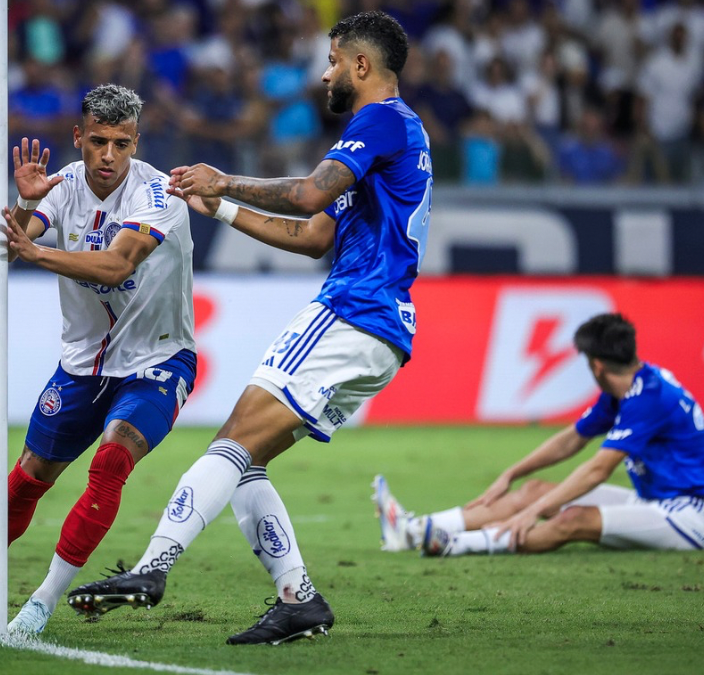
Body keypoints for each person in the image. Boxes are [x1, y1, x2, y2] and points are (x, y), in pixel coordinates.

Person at [68, 11, 431, 645]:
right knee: (248, 460)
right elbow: (317, 235)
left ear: (361, 66)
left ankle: (152, 570)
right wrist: (222, 207)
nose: (325, 74)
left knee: (231, 441)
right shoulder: (397, 136)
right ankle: (299, 600)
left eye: (333, 60)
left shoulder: (378, 120)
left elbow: (308, 198)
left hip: (353, 311)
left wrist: (224, 177)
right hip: (381, 330)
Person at [0, 84, 196, 635]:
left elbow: (116, 266)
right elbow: (14, 241)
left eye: (121, 143)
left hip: (158, 359)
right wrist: (27, 205)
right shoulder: (61, 186)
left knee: (112, 461)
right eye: (98, 142)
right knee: (28, 479)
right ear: (78, 138)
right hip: (82, 365)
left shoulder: (160, 197)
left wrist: (38, 251)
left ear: (136, 142)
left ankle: (41, 602)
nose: (109, 155)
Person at [374, 314, 704, 557]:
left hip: (690, 513)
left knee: (572, 518)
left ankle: (454, 544)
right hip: (655, 499)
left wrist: (536, 511)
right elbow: (572, 439)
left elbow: (598, 469)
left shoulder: (649, 398)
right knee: (533, 490)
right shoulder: (631, 387)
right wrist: (512, 474)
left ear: (597, 366)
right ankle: (412, 530)